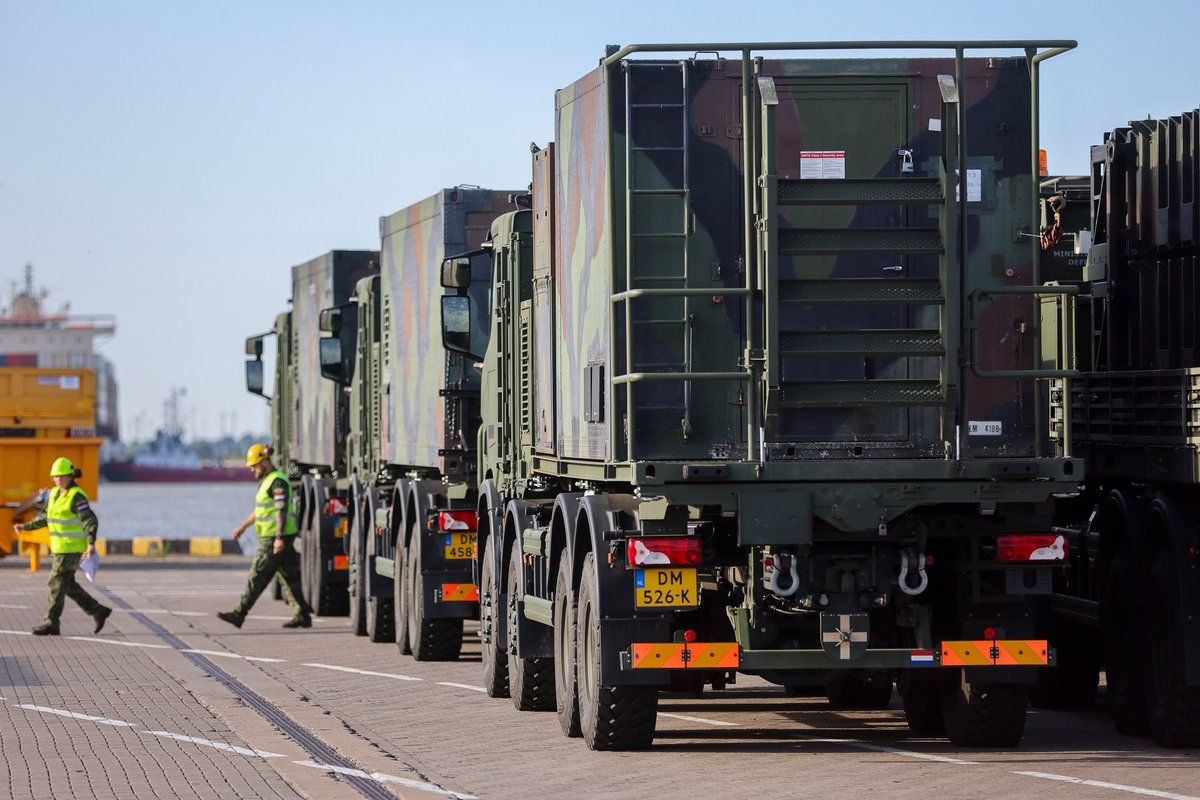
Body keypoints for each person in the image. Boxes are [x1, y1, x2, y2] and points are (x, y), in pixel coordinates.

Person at [13, 457, 112, 636]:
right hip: (59, 548)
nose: (57, 479)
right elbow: (45, 517)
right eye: (55, 476)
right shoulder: (53, 494)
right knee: (68, 585)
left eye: (61, 476)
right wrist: (25, 526)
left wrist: (90, 543)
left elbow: (89, 520)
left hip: (71, 548)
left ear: (70, 476)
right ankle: (98, 611)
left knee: (55, 583)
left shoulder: (76, 496)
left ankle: (51, 622)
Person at [218, 444, 312, 629]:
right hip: (277, 537)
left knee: (257, 575)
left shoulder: (277, 482)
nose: (252, 469)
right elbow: (260, 510)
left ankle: (239, 614)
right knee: (289, 578)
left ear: (264, 462)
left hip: (273, 538)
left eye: (254, 465)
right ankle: (302, 615)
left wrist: (278, 538)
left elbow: (281, 510)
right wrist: (243, 527)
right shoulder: (268, 481)